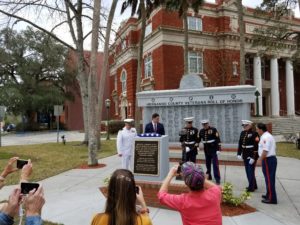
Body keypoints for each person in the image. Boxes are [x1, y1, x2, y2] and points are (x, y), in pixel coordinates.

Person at [157, 162, 222, 225]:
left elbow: (161, 196)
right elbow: (215, 187)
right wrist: (197, 175)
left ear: (186, 183)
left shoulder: (182, 201)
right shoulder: (215, 192)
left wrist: (170, 174)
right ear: (204, 176)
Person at [256, 123, 277, 204]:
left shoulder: (266, 137)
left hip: (268, 160)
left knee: (269, 179)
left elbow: (265, 150)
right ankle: (269, 194)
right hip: (268, 159)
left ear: (261, 129)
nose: (257, 131)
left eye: (257, 129)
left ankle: (272, 198)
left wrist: (260, 159)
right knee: (268, 178)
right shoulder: (267, 135)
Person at [237, 120, 260, 192]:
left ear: (250, 125)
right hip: (245, 153)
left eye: (245, 125)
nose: (244, 127)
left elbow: (256, 146)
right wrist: (238, 153)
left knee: (250, 171)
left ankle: (251, 187)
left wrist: (253, 157)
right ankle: (254, 185)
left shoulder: (255, 133)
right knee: (248, 171)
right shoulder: (242, 133)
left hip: (251, 154)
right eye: (243, 125)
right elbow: (240, 144)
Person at [199, 119, 221, 184]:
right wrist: (197, 145)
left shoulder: (213, 129)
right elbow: (198, 139)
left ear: (208, 124)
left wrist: (218, 149)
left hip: (213, 149)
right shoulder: (201, 131)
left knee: (215, 164)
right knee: (207, 164)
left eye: (205, 124)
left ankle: (217, 178)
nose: (204, 125)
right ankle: (209, 176)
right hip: (206, 149)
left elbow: (218, 139)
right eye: (203, 124)